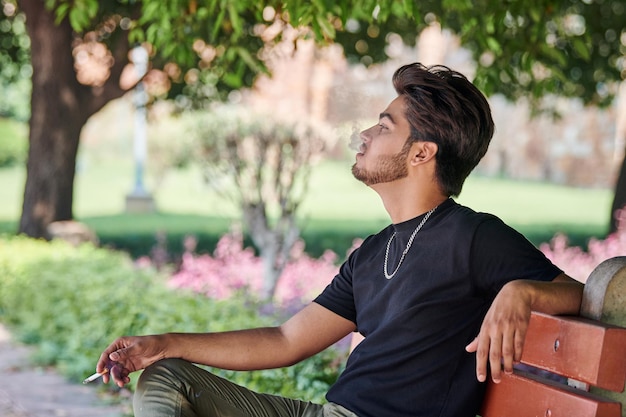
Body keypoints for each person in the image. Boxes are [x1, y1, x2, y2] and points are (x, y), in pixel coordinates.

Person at [95, 63, 583, 417]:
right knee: (167, 377)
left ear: (421, 154)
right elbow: (285, 339)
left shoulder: (473, 236)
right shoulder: (373, 252)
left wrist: (523, 290)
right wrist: (162, 345)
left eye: (384, 126)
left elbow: (580, 294)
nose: (365, 134)